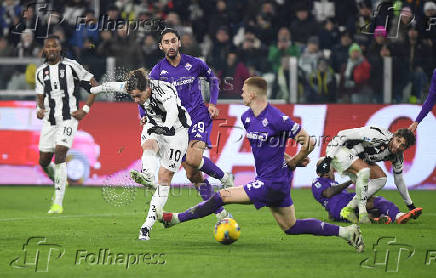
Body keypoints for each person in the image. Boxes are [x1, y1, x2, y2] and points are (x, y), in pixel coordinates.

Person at [156, 77, 364, 252]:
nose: (241, 95)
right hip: (272, 180)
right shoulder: (247, 118)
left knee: (222, 196)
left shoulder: (276, 117)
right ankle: (345, 232)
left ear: (253, 95)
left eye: (244, 91)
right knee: (289, 226)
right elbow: (272, 148)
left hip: (272, 182)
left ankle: (174, 219)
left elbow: (308, 142)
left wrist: (296, 161)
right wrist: (288, 159)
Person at [133, 28, 234, 221]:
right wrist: (143, 113)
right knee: (192, 174)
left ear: (179, 43)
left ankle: (224, 177)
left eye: (173, 41)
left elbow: (213, 79)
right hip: (177, 126)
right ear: (160, 46)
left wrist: (212, 103)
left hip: (198, 117)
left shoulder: (194, 63)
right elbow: (145, 93)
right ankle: (221, 212)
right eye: (166, 42)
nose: (170, 45)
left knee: (194, 160)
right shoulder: (158, 71)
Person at [90, 68, 191, 241]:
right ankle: (148, 176)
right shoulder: (133, 86)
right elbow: (112, 86)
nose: (136, 101)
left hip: (177, 132)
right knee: (149, 145)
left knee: (164, 178)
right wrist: (94, 89)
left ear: (148, 88)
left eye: (138, 96)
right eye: (133, 97)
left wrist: (166, 126)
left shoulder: (163, 90)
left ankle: (147, 225)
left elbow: (172, 110)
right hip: (154, 126)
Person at [36, 35, 98, 214]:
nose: (51, 49)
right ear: (44, 50)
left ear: (59, 49)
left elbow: (94, 86)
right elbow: (40, 98)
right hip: (50, 120)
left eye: (55, 46)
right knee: (43, 161)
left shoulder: (71, 66)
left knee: (60, 151)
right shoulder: (41, 72)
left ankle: (57, 202)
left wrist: (85, 110)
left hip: (69, 117)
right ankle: (58, 178)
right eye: (48, 47)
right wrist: (39, 110)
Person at [320, 126, 422, 224]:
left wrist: (410, 205)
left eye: (403, 145)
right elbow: (342, 134)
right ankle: (362, 213)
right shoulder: (377, 135)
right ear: (394, 135)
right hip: (339, 152)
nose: (398, 146)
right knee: (364, 171)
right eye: (398, 141)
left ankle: (348, 208)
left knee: (381, 179)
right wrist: (327, 159)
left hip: (357, 158)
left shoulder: (398, 156)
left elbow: (399, 180)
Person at [312, 158, 421, 224]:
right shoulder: (317, 182)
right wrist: (349, 182)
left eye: (329, 169)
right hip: (341, 205)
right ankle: (393, 216)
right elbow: (328, 193)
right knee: (375, 203)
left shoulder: (332, 182)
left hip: (342, 205)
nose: (328, 172)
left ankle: (386, 217)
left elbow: (327, 201)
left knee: (374, 207)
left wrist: (331, 215)